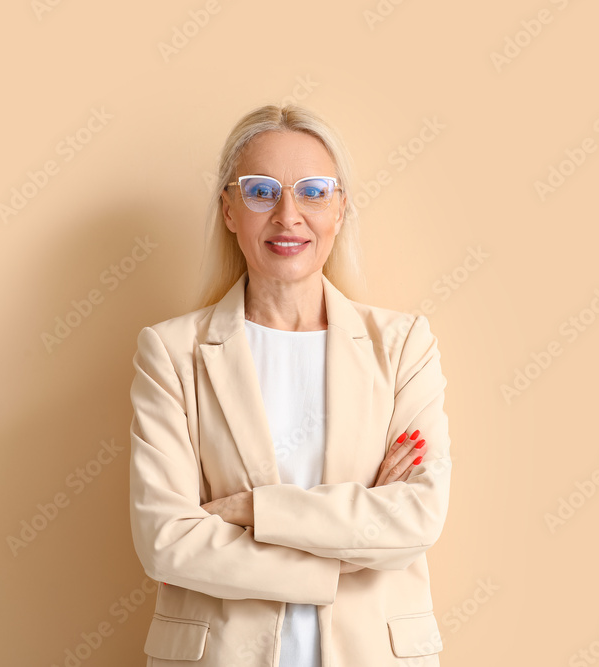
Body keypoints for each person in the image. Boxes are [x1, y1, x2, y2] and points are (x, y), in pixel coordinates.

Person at [128, 103, 452, 666]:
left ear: (340, 207)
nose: (288, 215)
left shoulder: (403, 346)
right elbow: (166, 541)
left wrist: (256, 509)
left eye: (314, 191)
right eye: (260, 191)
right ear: (229, 210)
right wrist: (343, 554)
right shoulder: (171, 353)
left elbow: (414, 518)